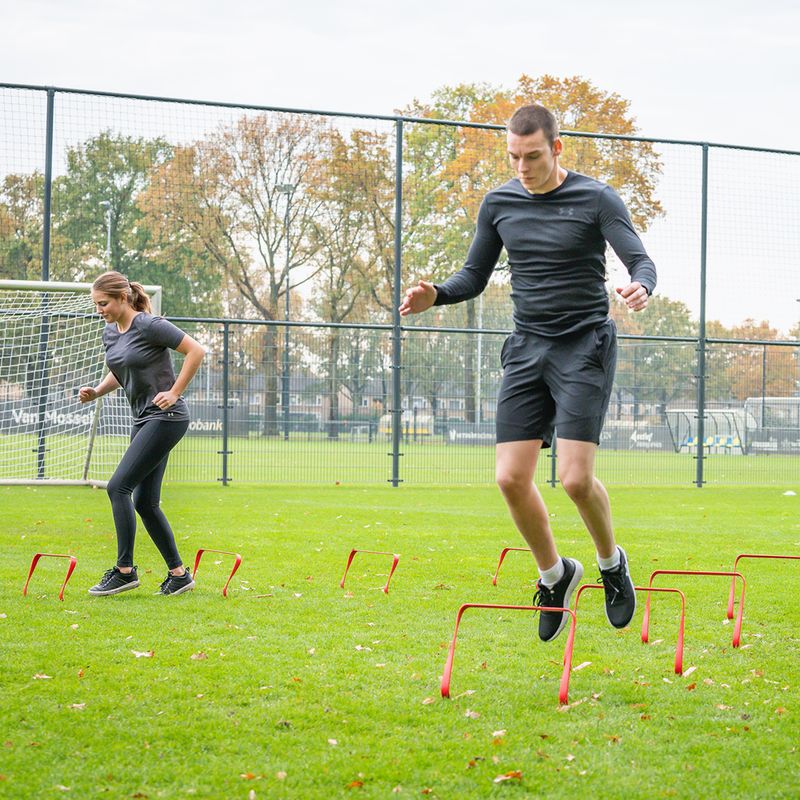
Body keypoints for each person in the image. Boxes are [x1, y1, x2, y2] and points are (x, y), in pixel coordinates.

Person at [400, 104, 656, 642]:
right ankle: (555, 574)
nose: (523, 166)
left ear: (557, 148)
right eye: (514, 156)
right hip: (526, 348)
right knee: (510, 478)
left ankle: (611, 564)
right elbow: (473, 275)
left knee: (574, 479)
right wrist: (436, 295)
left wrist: (641, 286)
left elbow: (640, 260)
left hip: (583, 345)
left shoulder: (596, 198)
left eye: (533, 155)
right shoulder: (499, 203)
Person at [79, 271, 205, 597]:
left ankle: (124, 571)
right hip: (143, 419)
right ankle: (179, 575)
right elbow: (121, 370)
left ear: (122, 298)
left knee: (118, 487)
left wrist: (175, 392)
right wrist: (98, 391)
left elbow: (196, 351)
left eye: (103, 303)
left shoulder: (149, 325)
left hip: (167, 417)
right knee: (145, 503)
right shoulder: (111, 333)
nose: (99, 310)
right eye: (96, 304)